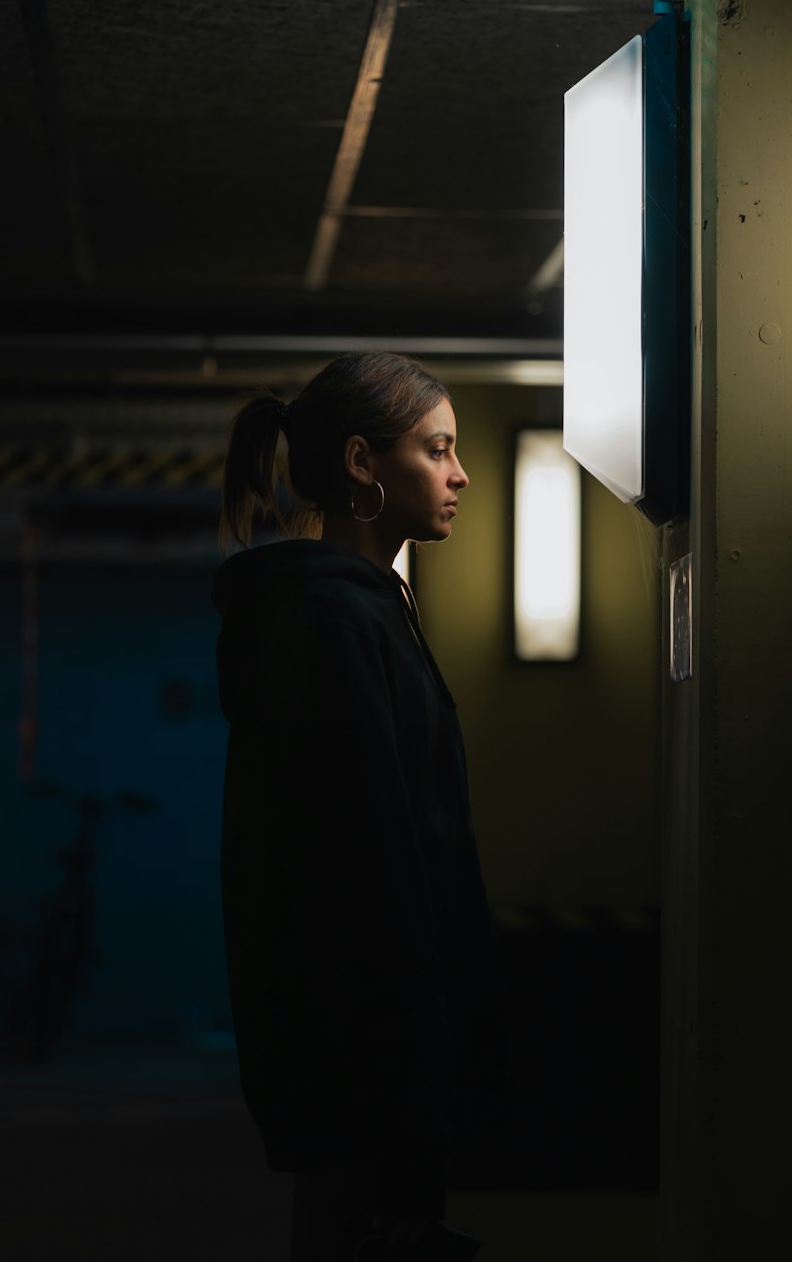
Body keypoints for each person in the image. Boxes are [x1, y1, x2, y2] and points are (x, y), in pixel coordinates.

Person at [212, 351, 511, 1260]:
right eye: (436, 447)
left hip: (363, 1065)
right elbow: (368, 876)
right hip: (363, 1073)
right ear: (360, 464)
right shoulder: (333, 624)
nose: (460, 473)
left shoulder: (356, 613)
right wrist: (409, 1117)